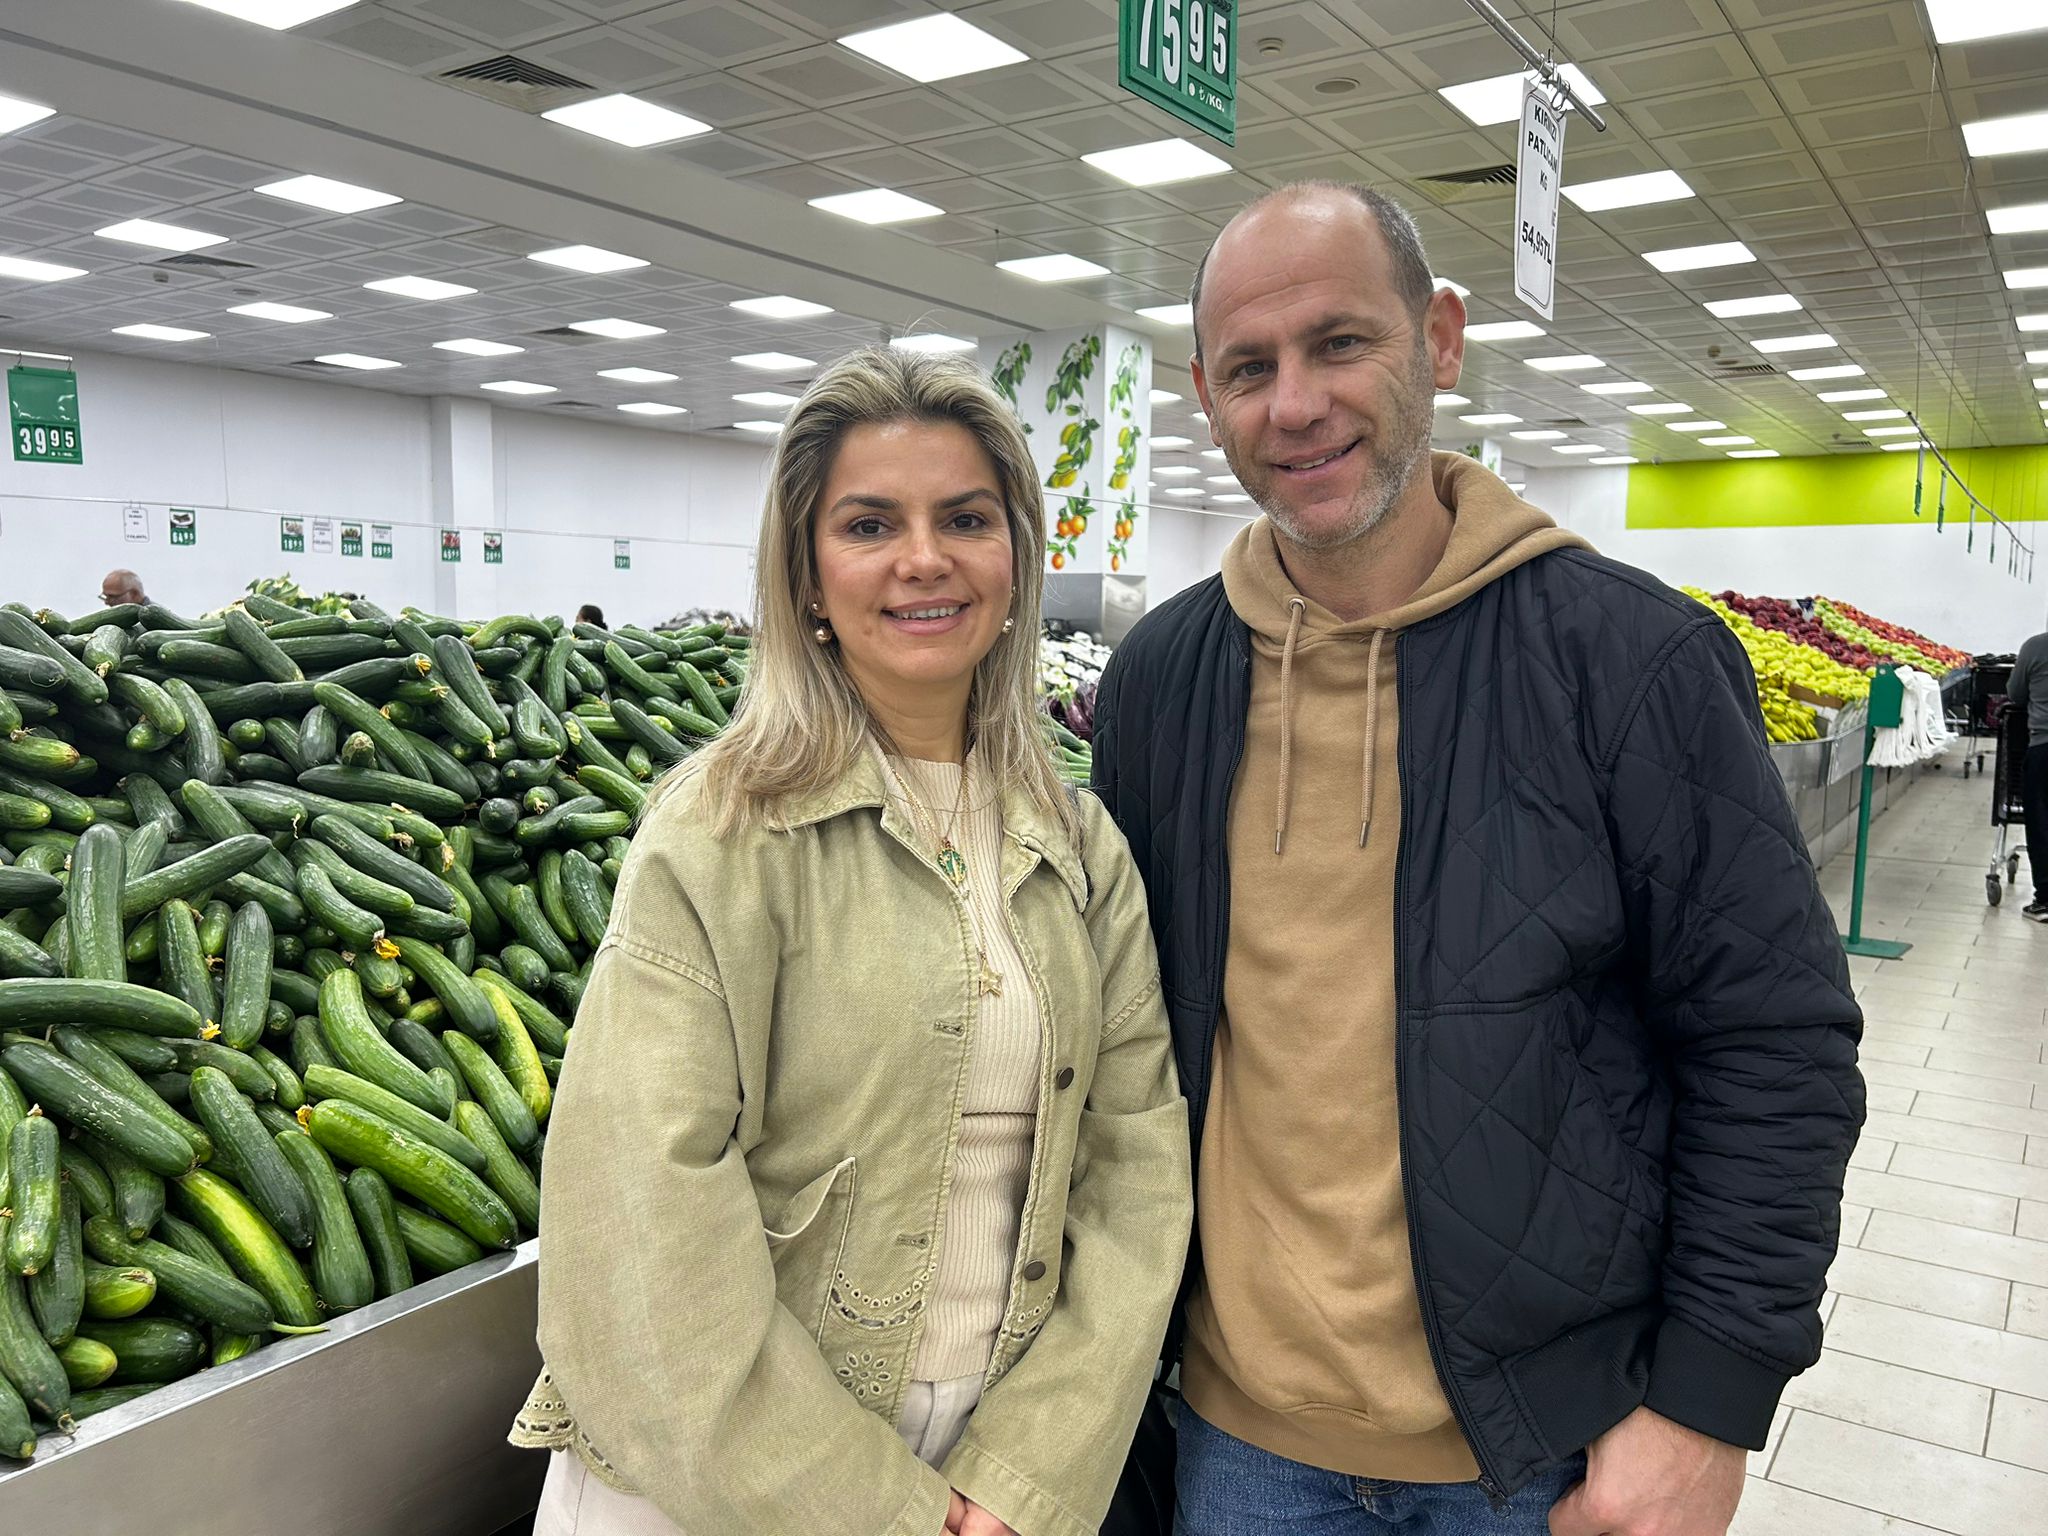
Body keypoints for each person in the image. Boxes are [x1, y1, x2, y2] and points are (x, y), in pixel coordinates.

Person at [1091, 182, 1866, 1536]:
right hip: (1240, 1448)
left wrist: (1708, 1405)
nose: (1296, 406)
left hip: (1543, 1454)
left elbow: (1774, 1045)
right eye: (1249, 370)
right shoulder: (1165, 680)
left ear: (1438, 340)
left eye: (1340, 344)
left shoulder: (1634, 663)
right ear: (1203, 395)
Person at [511, 346, 1192, 1536]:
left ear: (1016, 560)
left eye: (964, 519)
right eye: (870, 524)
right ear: (808, 578)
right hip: (718, 1474)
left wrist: (1022, 1479)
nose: (923, 558)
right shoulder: (719, 835)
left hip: (989, 1467)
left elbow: (1136, 1176)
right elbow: (640, 1217)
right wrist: (878, 1513)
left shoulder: (1084, 853)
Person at [2008, 627, 2047, 921]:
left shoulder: (2035, 647)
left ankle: (2045, 900)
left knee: (2041, 823)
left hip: (2043, 748)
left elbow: (2016, 694)